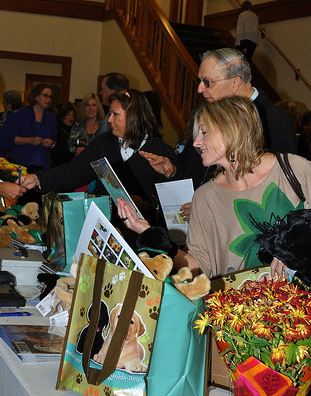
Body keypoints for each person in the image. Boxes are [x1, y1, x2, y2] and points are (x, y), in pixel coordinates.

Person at [119, 96, 311, 279]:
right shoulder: (205, 197)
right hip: (241, 309)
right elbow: (200, 267)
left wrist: (295, 249)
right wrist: (148, 232)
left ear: (232, 130)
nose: (196, 142)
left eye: (204, 132)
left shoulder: (293, 169)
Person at [19, 89, 179, 229]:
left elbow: (173, 202)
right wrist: (39, 178)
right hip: (108, 227)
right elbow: (74, 171)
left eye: (115, 115)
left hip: (145, 233)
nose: (109, 120)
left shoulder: (159, 151)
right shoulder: (105, 143)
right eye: (110, 114)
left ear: (133, 117)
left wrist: (166, 179)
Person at [177, 48, 298, 220]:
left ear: (235, 83)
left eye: (207, 82)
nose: (199, 89)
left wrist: (211, 207)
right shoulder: (211, 115)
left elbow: (279, 191)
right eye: (200, 81)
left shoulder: (273, 120)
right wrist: (171, 169)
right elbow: (191, 163)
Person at [0, 83, 57, 170]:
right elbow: (9, 138)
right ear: (36, 97)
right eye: (45, 96)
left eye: (50, 97)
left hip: (43, 165)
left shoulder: (51, 118)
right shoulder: (21, 114)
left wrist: (51, 143)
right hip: (21, 162)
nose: (48, 99)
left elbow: (54, 141)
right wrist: (29, 140)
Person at [51, 101, 75, 166]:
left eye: (73, 115)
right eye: (68, 115)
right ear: (62, 116)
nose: (71, 118)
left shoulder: (75, 131)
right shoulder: (57, 131)